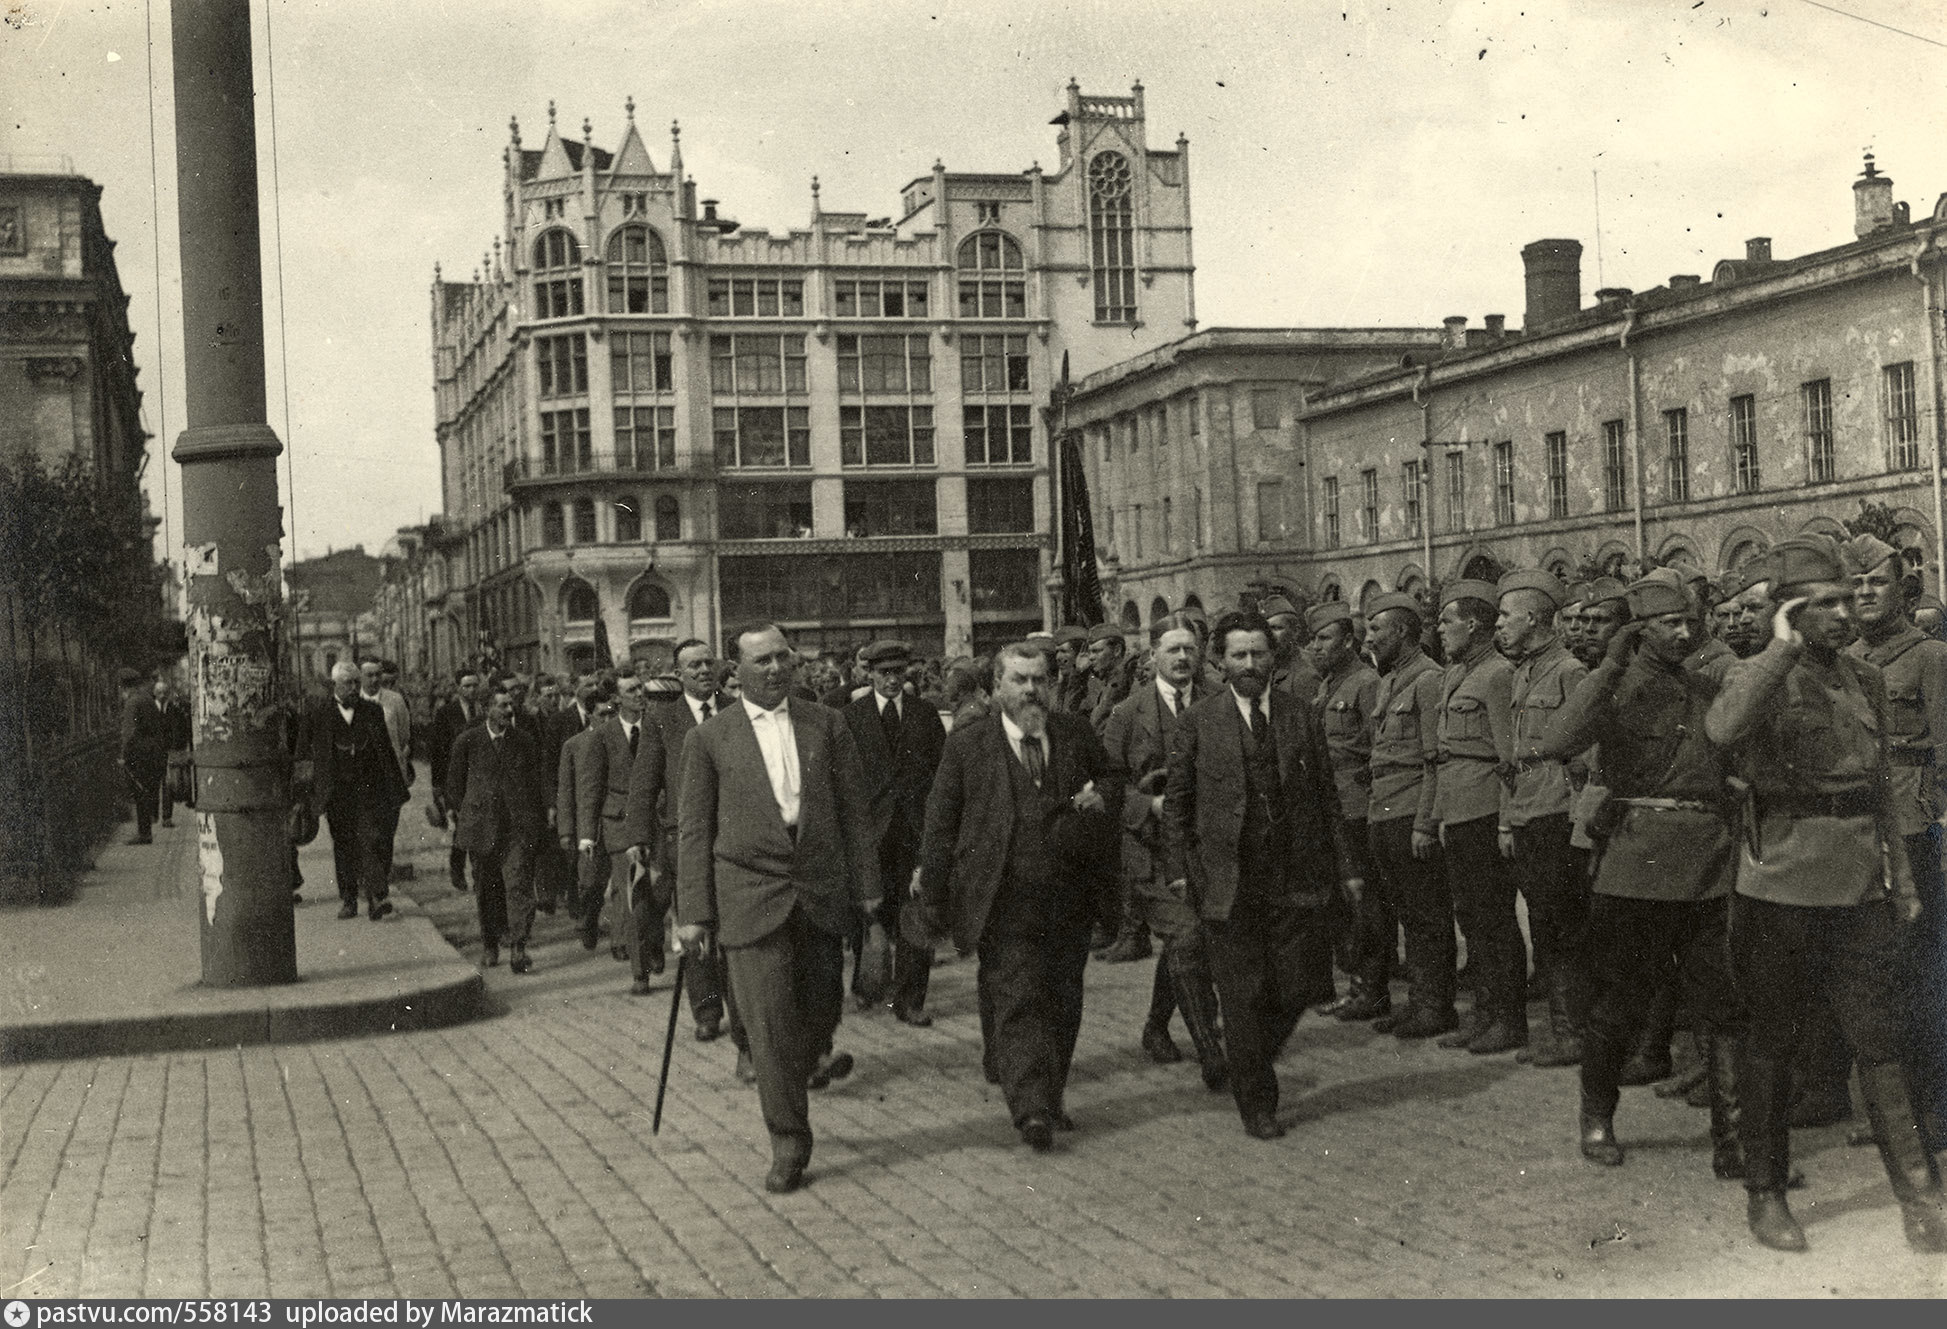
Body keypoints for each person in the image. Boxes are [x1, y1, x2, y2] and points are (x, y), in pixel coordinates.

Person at [1704, 535, 1947, 1254]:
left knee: (1881, 1040)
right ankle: (1766, 1193)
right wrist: (1777, 649)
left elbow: (1878, 788)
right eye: (1826, 602)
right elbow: (1722, 730)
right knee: (1771, 1044)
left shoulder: (1864, 677)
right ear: (1790, 611)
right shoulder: (1754, 674)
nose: (1843, 613)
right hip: (1777, 884)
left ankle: (1920, 1195)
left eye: (1849, 599)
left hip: (1856, 887)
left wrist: (1899, 878)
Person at [1538, 575, 1744, 1177]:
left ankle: (1733, 1140)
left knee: (1724, 1005)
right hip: (1636, 865)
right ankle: (1597, 1116)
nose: (1684, 631)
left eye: (1689, 620)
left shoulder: (1714, 680)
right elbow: (1557, 740)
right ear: (1640, 629)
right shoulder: (1611, 684)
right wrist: (1609, 666)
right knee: (1622, 1002)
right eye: (1668, 623)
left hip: (1709, 862)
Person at [674, 623, 880, 1195]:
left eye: (781, 658)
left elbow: (855, 814)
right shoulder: (711, 739)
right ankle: (789, 1140)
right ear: (734, 671)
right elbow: (694, 831)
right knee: (765, 1026)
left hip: (817, 891)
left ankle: (811, 1060)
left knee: (818, 1012)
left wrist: (869, 891)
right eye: (760, 661)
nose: (773, 669)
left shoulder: (826, 724)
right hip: (748, 896)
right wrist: (693, 911)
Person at [918, 641, 1120, 1151]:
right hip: (1002, 899)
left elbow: (1115, 778)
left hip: (1069, 895)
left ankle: (1049, 1095)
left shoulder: (1073, 733)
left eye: (1039, 680)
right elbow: (941, 821)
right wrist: (935, 892)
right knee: (1017, 996)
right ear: (995, 689)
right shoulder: (969, 744)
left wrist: (1102, 797)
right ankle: (1030, 1107)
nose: (1031, 689)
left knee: (1063, 998)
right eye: (1019, 680)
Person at [1164, 609, 1339, 1140]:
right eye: (1238, 655)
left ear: (1272, 658)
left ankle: (1247, 1053)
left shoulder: (1300, 714)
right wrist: (1180, 871)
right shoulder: (1199, 721)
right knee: (1242, 994)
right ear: (1222, 660)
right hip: (1226, 880)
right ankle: (1257, 1102)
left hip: (1291, 876)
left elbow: (1326, 797)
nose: (1249, 664)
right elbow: (1178, 804)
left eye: (1258, 653)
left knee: (1297, 986)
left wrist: (1339, 867)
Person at [1844, 533, 1947, 1153]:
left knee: (1922, 975)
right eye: (1853, 586)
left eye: (1875, 582)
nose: (1863, 595)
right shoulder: (1844, 658)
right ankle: (1888, 1111)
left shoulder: (1930, 655)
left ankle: (1934, 1111)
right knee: (1871, 977)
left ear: (1902, 590)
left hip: (1914, 827)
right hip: (1862, 833)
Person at [1104, 614, 1226, 1091]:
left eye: (1189, 650)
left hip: (1204, 849)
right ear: (1152, 654)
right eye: (1172, 650)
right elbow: (1106, 785)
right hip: (1151, 850)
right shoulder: (1127, 713)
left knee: (1185, 942)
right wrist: (1148, 803)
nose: (1181, 658)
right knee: (1189, 934)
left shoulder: (1219, 704)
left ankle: (1156, 1026)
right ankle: (1211, 1053)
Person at [1496, 569, 1590, 1068]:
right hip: (1531, 814)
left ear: (1532, 618)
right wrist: (1510, 819)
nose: (1500, 625)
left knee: (1562, 929)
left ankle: (1574, 1033)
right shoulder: (1524, 672)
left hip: (1558, 814)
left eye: (1506, 616)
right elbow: (1515, 757)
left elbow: (1586, 756)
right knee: (1545, 928)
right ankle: (1562, 1029)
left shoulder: (1569, 672)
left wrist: (1580, 822)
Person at [622, 640, 734, 1042]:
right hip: (683, 837)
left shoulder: (736, 710)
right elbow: (645, 780)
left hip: (733, 833)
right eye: (694, 666)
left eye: (709, 663)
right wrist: (637, 835)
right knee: (694, 922)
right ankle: (706, 1010)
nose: (704, 670)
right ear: (679, 674)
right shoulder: (663, 720)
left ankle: (741, 1008)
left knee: (734, 922)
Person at [1432, 580, 1523, 1055]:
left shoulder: (1497, 675)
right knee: (1470, 916)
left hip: (1487, 811)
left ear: (1473, 624)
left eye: (1447, 621)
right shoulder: (1456, 675)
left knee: (1494, 918)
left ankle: (1508, 1019)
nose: (1440, 629)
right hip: (1460, 808)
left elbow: (1508, 759)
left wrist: (1507, 822)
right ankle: (1485, 1015)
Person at [1363, 591, 1457, 1038]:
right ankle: (1420, 1001)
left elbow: (1434, 760)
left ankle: (1436, 1006)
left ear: (1401, 630)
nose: (1370, 638)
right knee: (1408, 913)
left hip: (1409, 811)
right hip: (1385, 810)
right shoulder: (1390, 680)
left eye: (1376, 629)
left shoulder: (1429, 680)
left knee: (1427, 914)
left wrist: (1425, 822)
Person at [841, 640, 947, 1026]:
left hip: (915, 832)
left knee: (916, 914)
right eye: (883, 673)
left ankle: (910, 1000)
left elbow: (942, 775)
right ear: (869, 674)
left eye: (897, 674)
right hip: (870, 833)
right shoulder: (851, 717)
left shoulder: (925, 715)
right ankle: (869, 984)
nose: (891, 680)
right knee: (869, 912)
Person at [1305, 600, 1384, 1022]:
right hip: (1331, 808)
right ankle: (1359, 985)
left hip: (1357, 807)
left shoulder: (1365, 683)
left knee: (1365, 903)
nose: (1316, 648)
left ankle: (1371, 989)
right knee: (1345, 905)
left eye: (1324, 639)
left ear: (1349, 641)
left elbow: (1377, 748)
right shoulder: (1328, 685)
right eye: (1313, 640)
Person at [444, 680, 544, 972]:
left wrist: (536, 821)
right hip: (482, 828)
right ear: (486, 709)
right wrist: (465, 814)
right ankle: (489, 944)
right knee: (487, 890)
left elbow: (535, 783)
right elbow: (454, 784)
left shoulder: (523, 741)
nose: (508, 710)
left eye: (510, 705)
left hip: (516, 827)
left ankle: (518, 947)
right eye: (501, 705)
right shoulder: (468, 741)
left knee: (519, 886)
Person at [578, 673, 664, 995]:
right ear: (616, 698)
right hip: (619, 824)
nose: (639, 694)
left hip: (657, 818)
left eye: (641, 688)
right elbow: (591, 787)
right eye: (631, 690)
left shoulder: (658, 727)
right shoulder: (602, 736)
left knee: (660, 891)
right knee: (633, 896)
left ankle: (653, 941)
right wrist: (587, 833)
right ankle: (639, 972)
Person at [303, 661, 407, 921]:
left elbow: (386, 752)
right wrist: (307, 793)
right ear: (335, 685)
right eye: (347, 683)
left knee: (371, 840)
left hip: (368, 790)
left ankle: (376, 897)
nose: (353, 688)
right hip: (337, 793)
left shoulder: (372, 711)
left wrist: (395, 788)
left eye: (356, 683)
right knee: (344, 845)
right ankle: (349, 899)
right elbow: (305, 754)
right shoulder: (319, 712)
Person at [359, 657, 414, 885]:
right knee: (366, 831)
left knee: (386, 832)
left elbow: (403, 737)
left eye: (377, 674)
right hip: (363, 779)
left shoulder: (395, 701)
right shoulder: (355, 702)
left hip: (390, 777)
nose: (374, 679)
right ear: (360, 676)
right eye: (369, 675)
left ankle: (380, 875)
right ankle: (372, 882)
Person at [428, 668, 483, 892]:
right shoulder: (446, 713)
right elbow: (438, 751)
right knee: (461, 826)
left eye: (474, 685)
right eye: (466, 686)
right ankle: (457, 867)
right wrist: (438, 785)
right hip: (456, 779)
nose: (471, 690)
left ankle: (479, 871)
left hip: (479, 777)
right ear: (458, 688)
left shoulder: (484, 711)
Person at [118, 669, 168, 844]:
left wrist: (124, 755)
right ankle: (146, 829)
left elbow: (128, 732)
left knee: (140, 792)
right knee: (147, 790)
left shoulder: (133, 703)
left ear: (125, 687)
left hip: (139, 753)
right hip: (154, 751)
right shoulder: (147, 699)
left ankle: (144, 833)